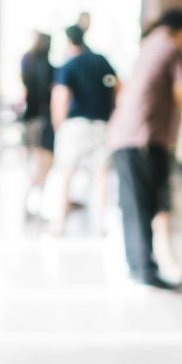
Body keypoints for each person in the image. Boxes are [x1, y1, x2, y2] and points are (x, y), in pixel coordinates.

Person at [109, 8, 182, 290]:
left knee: (136, 204)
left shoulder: (148, 44)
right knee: (145, 204)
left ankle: (141, 266)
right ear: (181, 32)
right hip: (144, 138)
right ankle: (145, 268)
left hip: (125, 136)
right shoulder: (172, 48)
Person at [46, 24, 118, 235]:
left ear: (69, 42)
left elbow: (60, 97)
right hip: (102, 124)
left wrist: (59, 126)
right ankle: (100, 224)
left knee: (66, 173)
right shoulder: (102, 61)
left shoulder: (69, 66)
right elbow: (117, 87)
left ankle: (59, 221)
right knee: (101, 175)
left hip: (75, 125)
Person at [19, 31, 55, 217]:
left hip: (28, 118)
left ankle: (29, 204)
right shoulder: (48, 68)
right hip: (42, 120)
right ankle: (36, 205)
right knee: (42, 166)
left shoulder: (26, 62)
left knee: (31, 164)